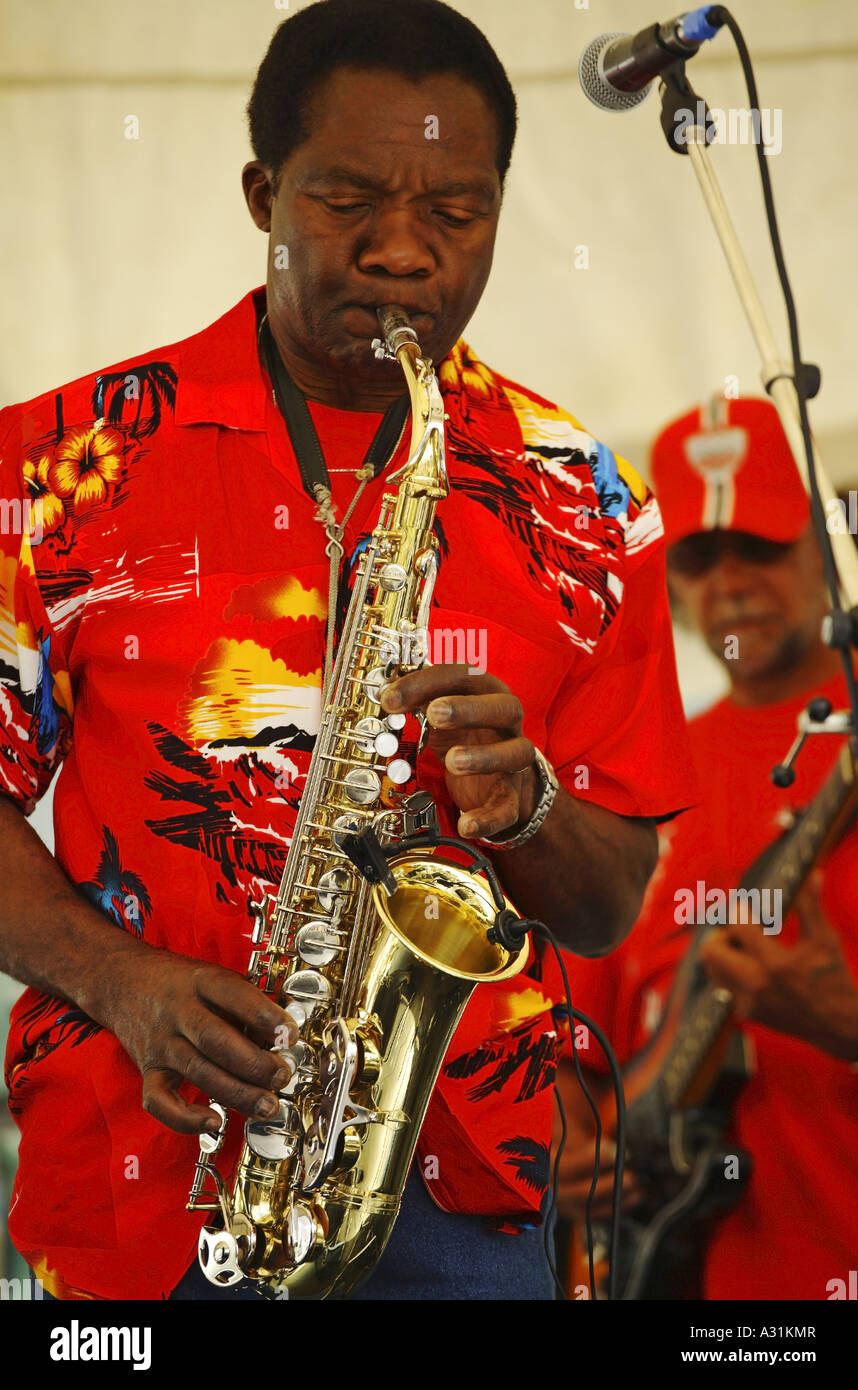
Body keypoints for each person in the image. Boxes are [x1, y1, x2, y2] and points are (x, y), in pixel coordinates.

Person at [0, 0, 694, 1302]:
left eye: (455, 212)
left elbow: (606, 901)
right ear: (263, 189)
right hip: (143, 1179)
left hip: (462, 1199)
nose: (398, 252)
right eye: (346, 198)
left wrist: (529, 803)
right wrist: (122, 977)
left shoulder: (584, 496)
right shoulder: (57, 461)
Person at [556, 394, 858, 1301]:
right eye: (699, 555)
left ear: (822, 541)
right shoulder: (640, 776)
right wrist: (571, 1144)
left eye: (761, 545)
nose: (730, 584)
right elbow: (577, 1037)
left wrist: (853, 1030)